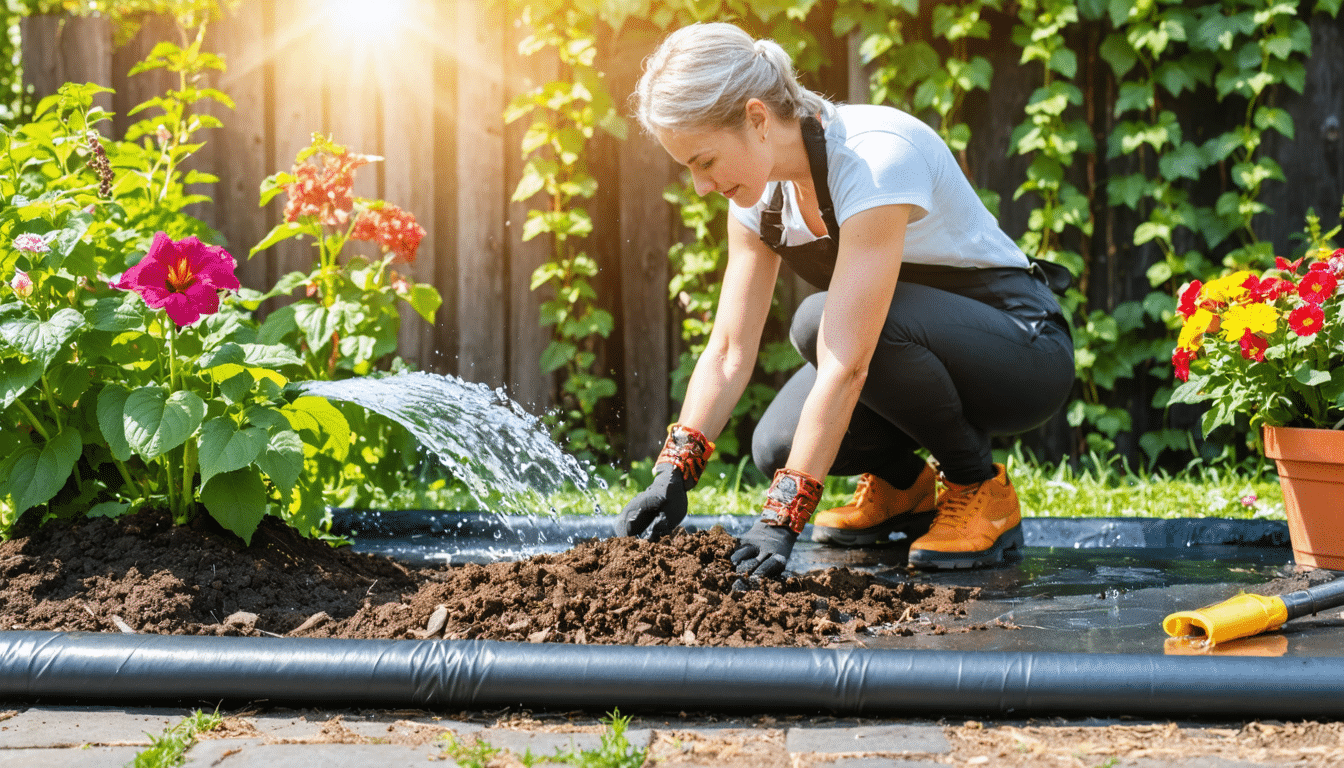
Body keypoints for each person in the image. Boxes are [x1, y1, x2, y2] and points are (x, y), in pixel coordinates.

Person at [615, 22, 1075, 576]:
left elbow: (848, 362)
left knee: (816, 323)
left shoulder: (873, 159)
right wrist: (673, 473)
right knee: (776, 446)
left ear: (757, 119)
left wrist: (782, 519)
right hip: (912, 347)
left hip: (1022, 352)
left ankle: (978, 486)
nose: (701, 186)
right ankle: (903, 488)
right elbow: (729, 349)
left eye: (704, 161)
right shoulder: (757, 201)